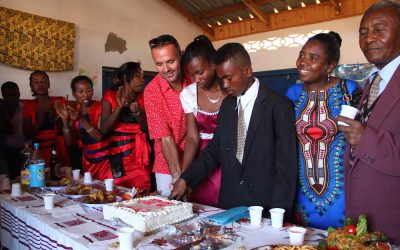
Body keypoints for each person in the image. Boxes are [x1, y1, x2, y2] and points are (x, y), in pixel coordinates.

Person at [170, 43, 297, 217]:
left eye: (229, 77)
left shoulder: (279, 106)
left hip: (264, 206)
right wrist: (186, 178)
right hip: (229, 204)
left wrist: (279, 213)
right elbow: (214, 150)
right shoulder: (228, 106)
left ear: (247, 71)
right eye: (221, 78)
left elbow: (286, 168)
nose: (225, 84)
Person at [337, 0, 400, 244]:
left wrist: (366, 139)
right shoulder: (373, 81)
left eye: (379, 29)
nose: (369, 38)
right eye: (363, 32)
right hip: (362, 224)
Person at [286, 32, 362, 230]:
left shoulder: (350, 90)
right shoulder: (292, 94)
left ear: (330, 66)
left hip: (342, 191)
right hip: (301, 190)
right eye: (302, 55)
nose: (303, 62)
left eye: (313, 58)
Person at [179, 35, 227, 206]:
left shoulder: (230, 88)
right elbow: (192, 137)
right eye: (191, 75)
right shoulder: (188, 94)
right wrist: (185, 176)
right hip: (201, 159)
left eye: (200, 72)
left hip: (227, 156)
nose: (196, 80)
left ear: (213, 64)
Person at [144, 34, 191, 197]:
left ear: (181, 55)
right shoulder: (152, 91)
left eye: (171, 61)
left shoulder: (195, 78)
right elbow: (165, 138)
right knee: (169, 210)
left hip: (199, 158)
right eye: (159, 64)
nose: (166, 69)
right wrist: (178, 177)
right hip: (167, 164)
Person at [100, 62, 151, 190]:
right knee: (116, 191)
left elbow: (146, 128)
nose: (142, 79)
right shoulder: (110, 95)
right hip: (117, 156)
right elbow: (103, 129)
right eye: (138, 75)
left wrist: (137, 112)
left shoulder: (143, 98)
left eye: (142, 75)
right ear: (126, 78)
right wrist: (119, 108)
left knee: (141, 192)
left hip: (139, 157)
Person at [55, 75, 113, 181]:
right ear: (74, 94)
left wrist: (80, 119)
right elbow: (70, 142)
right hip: (87, 160)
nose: (85, 95)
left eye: (88, 90)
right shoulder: (75, 110)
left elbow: (99, 137)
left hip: (105, 160)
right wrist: (64, 120)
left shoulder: (100, 107)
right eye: (80, 91)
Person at [23, 71, 69, 173]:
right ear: (31, 86)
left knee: (61, 177)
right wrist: (40, 121)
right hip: (38, 150)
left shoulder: (59, 101)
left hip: (59, 148)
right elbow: (26, 133)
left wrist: (58, 119)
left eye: (43, 81)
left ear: (48, 84)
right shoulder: (28, 105)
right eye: (36, 82)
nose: (40, 84)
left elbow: (67, 129)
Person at [0, 82, 27, 180]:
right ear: (3, 96)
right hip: (8, 151)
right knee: (10, 180)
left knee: (26, 179)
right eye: (7, 95)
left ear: (19, 94)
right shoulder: (1, 110)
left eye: (14, 95)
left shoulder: (26, 108)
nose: (11, 98)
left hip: (25, 150)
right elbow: (7, 129)